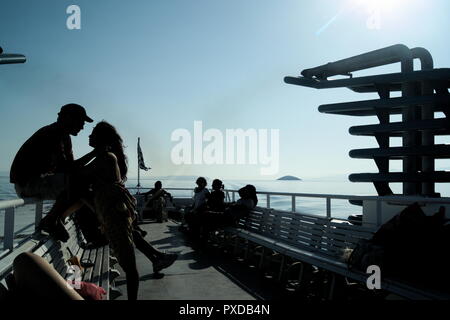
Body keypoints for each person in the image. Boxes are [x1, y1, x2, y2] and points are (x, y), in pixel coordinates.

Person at [84, 121, 176, 300]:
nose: (89, 136)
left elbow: (77, 174)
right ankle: (157, 257)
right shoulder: (108, 157)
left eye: (93, 133)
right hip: (115, 215)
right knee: (132, 249)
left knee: (130, 267)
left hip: (114, 217)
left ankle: (156, 258)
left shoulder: (106, 158)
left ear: (101, 139)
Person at [10, 103, 96, 241]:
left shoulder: (63, 137)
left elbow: (71, 167)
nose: (82, 126)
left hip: (37, 180)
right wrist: (95, 154)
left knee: (82, 185)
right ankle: (52, 221)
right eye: (80, 121)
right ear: (68, 118)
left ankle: (55, 220)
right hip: (27, 183)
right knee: (79, 185)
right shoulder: (52, 135)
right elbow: (69, 169)